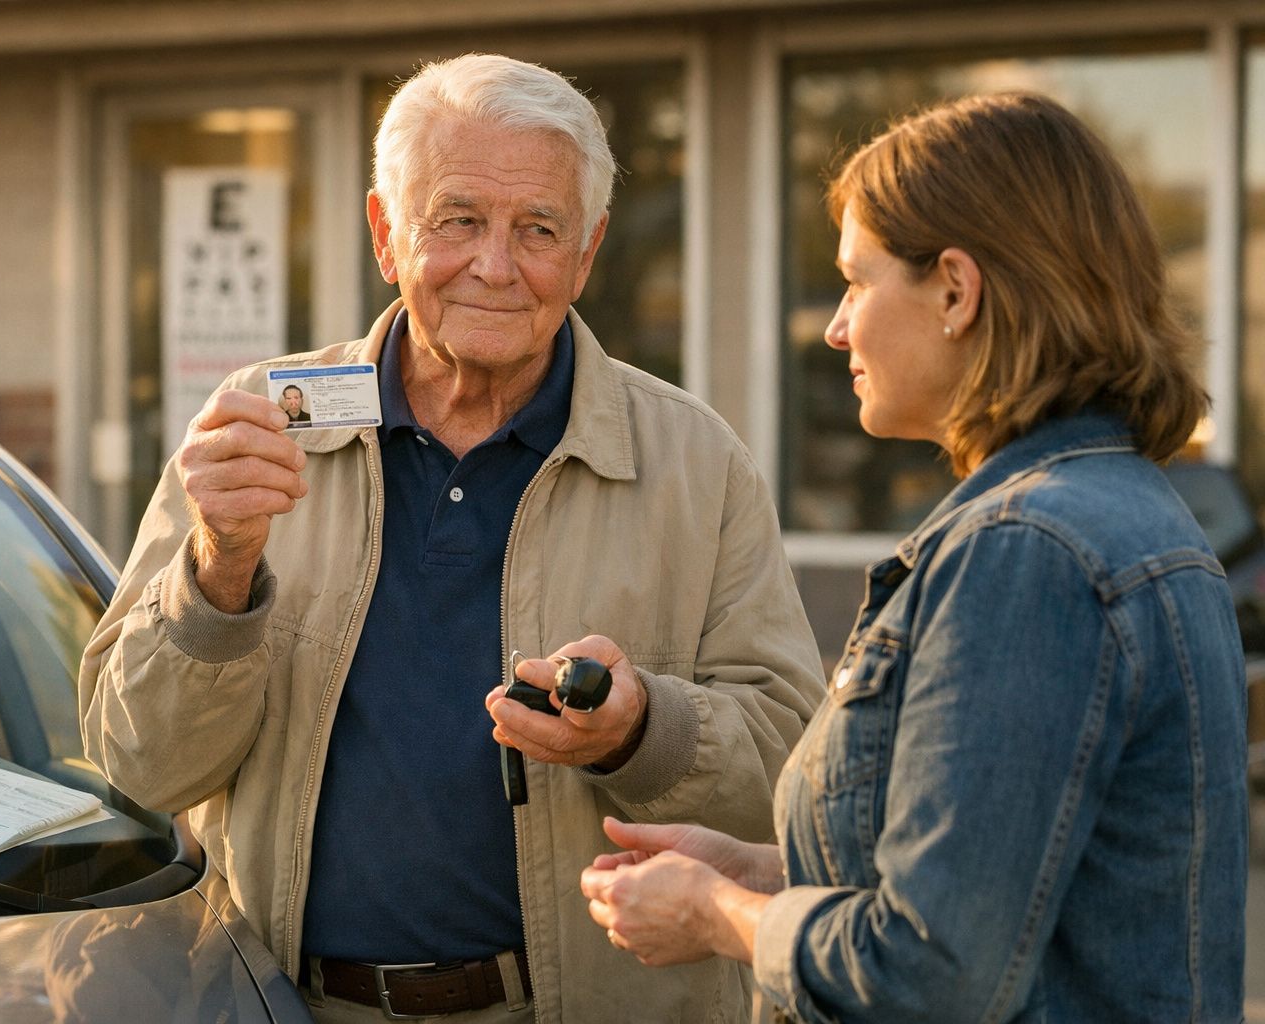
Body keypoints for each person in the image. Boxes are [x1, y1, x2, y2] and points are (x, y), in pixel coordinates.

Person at [79, 52, 826, 1024]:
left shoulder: (696, 461)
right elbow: (141, 764)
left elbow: (793, 783)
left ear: (587, 252)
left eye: (539, 229)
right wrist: (220, 567)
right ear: (386, 234)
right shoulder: (260, 427)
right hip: (291, 1008)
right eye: (458, 220)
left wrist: (642, 730)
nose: (496, 266)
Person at [580, 92, 1249, 1022]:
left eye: (856, 282)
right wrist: (759, 875)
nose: (835, 327)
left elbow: (929, 971)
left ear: (956, 292)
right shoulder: (1120, 511)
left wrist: (716, 914)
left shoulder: (1027, 555)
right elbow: (1006, 890)